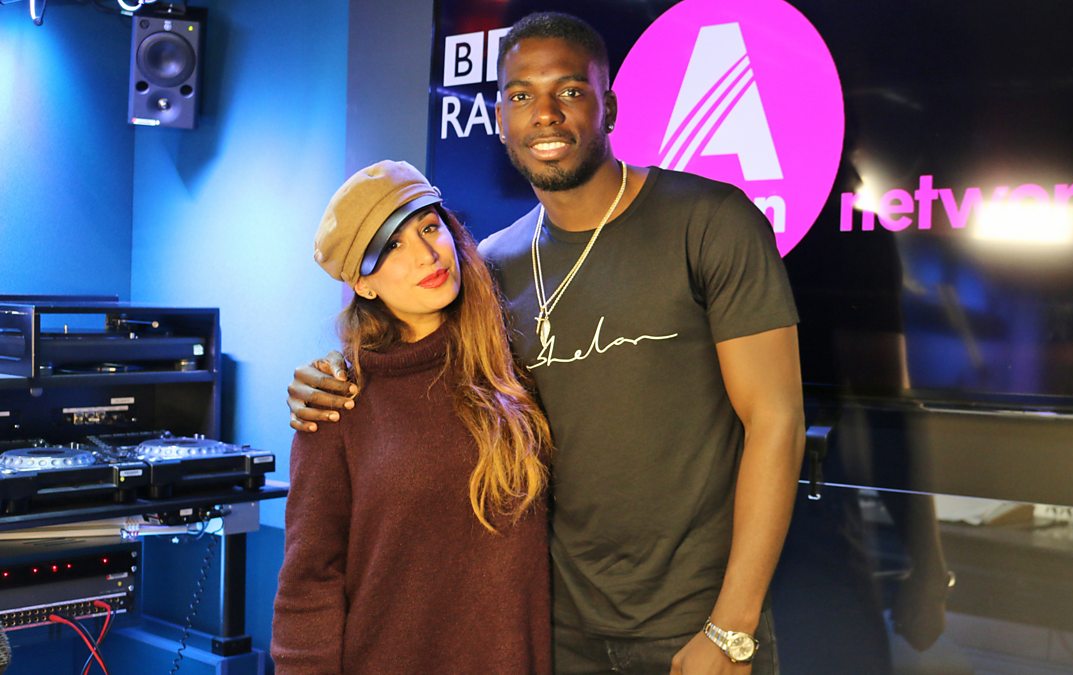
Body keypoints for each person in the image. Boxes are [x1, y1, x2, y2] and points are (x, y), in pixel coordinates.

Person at [289, 13, 805, 674]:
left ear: (608, 105)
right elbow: (406, 362)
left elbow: (777, 420)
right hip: (555, 633)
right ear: (500, 119)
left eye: (569, 90)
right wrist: (327, 377)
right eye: (521, 95)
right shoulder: (490, 269)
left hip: (696, 623)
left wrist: (732, 626)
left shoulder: (710, 222)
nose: (546, 114)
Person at [272, 160, 553, 674]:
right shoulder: (339, 402)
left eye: (428, 227)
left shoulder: (511, 365)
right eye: (393, 247)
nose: (427, 254)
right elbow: (309, 581)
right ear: (364, 284)